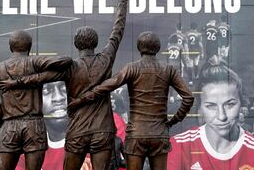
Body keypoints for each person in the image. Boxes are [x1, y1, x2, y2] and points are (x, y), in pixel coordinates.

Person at [0, 0, 129, 170]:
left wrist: (15, 82)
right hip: (102, 131)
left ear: (76, 45)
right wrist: (123, 3)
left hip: (78, 132)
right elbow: (117, 32)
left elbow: (40, 78)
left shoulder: (70, 68)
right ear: (95, 43)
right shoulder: (105, 60)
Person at [68, 32, 194, 170]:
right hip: (159, 133)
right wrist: (173, 121)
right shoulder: (168, 70)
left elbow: (105, 87)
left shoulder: (132, 68)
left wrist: (80, 100)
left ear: (139, 48)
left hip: (136, 134)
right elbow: (188, 97)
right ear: (158, 48)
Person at [0, 30, 73, 170]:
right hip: (34, 125)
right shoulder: (35, 63)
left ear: (11, 47)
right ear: (29, 47)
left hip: (10, 126)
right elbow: (66, 61)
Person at [167, 58, 254, 170]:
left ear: (242, 103)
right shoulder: (178, 147)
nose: (222, 116)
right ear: (200, 108)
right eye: (211, 106)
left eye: (229, 104)